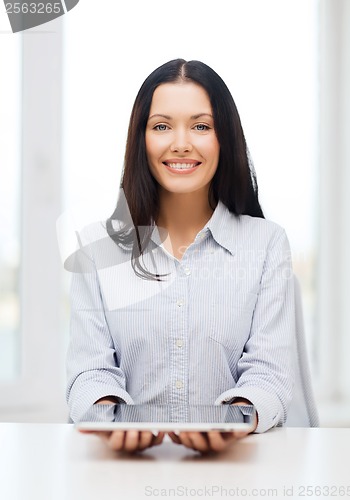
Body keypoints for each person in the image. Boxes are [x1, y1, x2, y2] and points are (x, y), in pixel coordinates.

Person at [66, 58, 295, 454]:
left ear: (225, 137)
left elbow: (269, 372)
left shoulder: (267, 244)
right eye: (162, 126)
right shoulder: (96, 250)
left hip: (239, 473)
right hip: (120, 474)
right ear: (142, 139)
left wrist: (233, 421)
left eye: (201, 125)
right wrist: (108, 417)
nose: (181, 142)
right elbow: (90, 372)